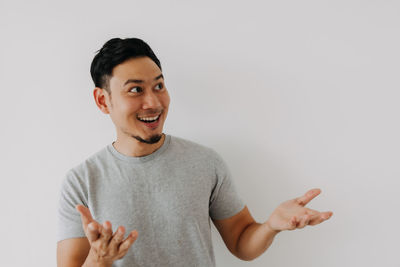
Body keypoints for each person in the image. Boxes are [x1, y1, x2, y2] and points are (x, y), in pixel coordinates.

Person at [56, 37, 333, 267]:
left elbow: (241, 243)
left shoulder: (205, 162)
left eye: (159, 86)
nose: (153, 102)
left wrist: (270, 225)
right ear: (103, 100)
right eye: (136, 90)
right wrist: (99, 258)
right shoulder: (81, 182)